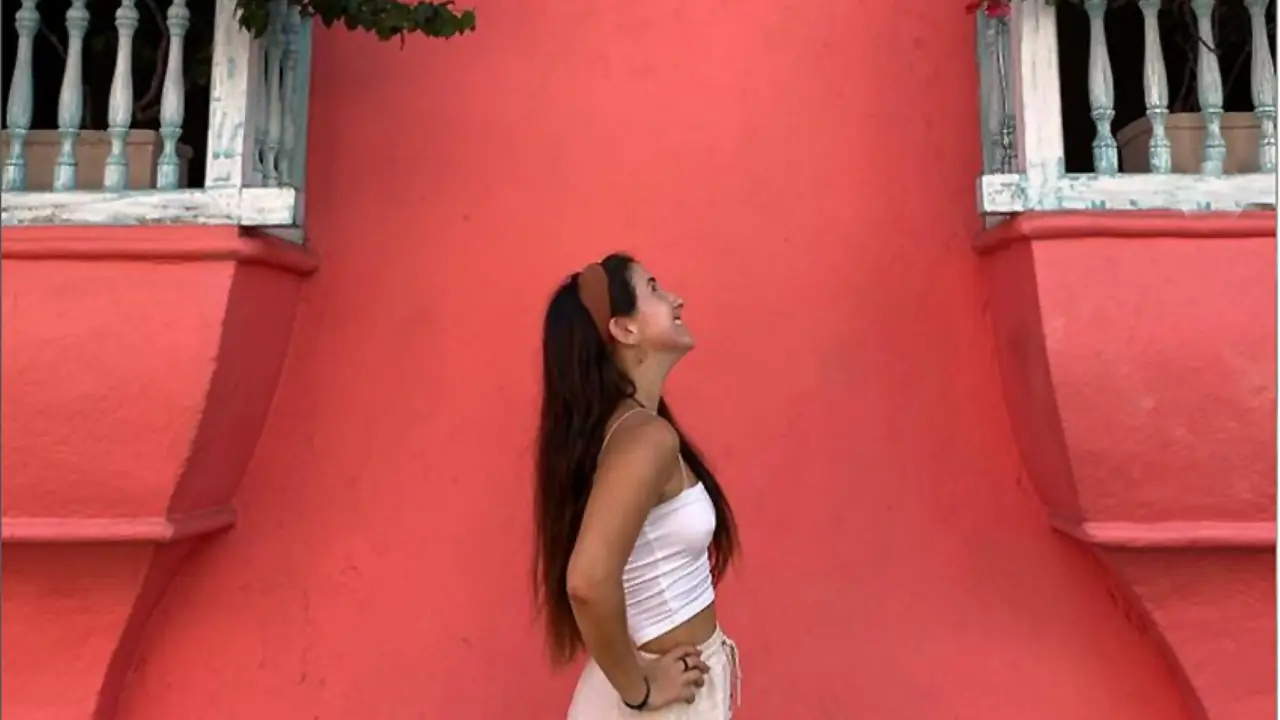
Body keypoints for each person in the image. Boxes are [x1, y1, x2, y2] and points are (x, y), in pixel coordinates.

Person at [534, 253, 742, 718]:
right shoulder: (645, 439)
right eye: (653, 288)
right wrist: (640, 691)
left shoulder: (624, 431)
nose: (675, 299)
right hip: (660, 704)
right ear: (624, 329)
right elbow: (587, 581)